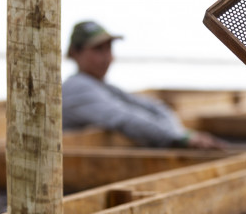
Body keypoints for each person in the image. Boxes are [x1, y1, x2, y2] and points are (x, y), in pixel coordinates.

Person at [63, 20, 226, 149]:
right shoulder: (76, 89)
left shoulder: (102, 86)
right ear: (75, 53)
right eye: (98, 49)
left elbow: (154, 108)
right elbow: (125, 118)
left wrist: (179, 134)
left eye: (109, 49)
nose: (107, 57)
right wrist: (179, 137)